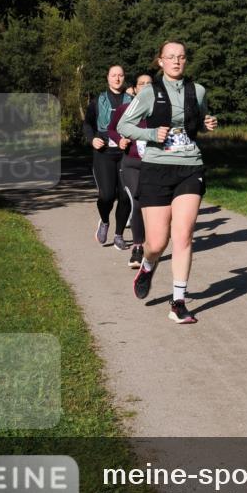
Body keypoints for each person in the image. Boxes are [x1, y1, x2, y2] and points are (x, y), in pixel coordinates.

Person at [117, 40, 218, 323]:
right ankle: (148, 266)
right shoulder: (149, 93)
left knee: (183, 235)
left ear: (186, 61)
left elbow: (196, 124)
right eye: (170, 57)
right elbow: (125, 125)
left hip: (190, 166)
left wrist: (207, 124)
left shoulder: (197, 91)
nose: (176, 61)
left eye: (181, 57)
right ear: (160, 61)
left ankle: (178, 302)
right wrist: (150, 135)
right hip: (156, 169)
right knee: (157, 243)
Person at [82, 65, 134, 246]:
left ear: (124, 77)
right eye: (114, 75)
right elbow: (87, 124)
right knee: (107, 196)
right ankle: (104, 221)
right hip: (104, 152)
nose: (117, 78)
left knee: (126, 196)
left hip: (126, 153)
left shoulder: (133, 100)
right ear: (108, 78)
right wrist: (92, 139)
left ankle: (119, 235)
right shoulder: (98, 101)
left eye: (121, 75)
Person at [107, 72, 154, 268]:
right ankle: (137, 248)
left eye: (149, 84)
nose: (145, 87)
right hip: (131, 163)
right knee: (137, 201)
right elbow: (111, 129)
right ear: (134, 89)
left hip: (154, 165)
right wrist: (121, 140)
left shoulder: (160, 112)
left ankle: (154, 243)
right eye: (141, 84)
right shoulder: (124, 109)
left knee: (153, 206)